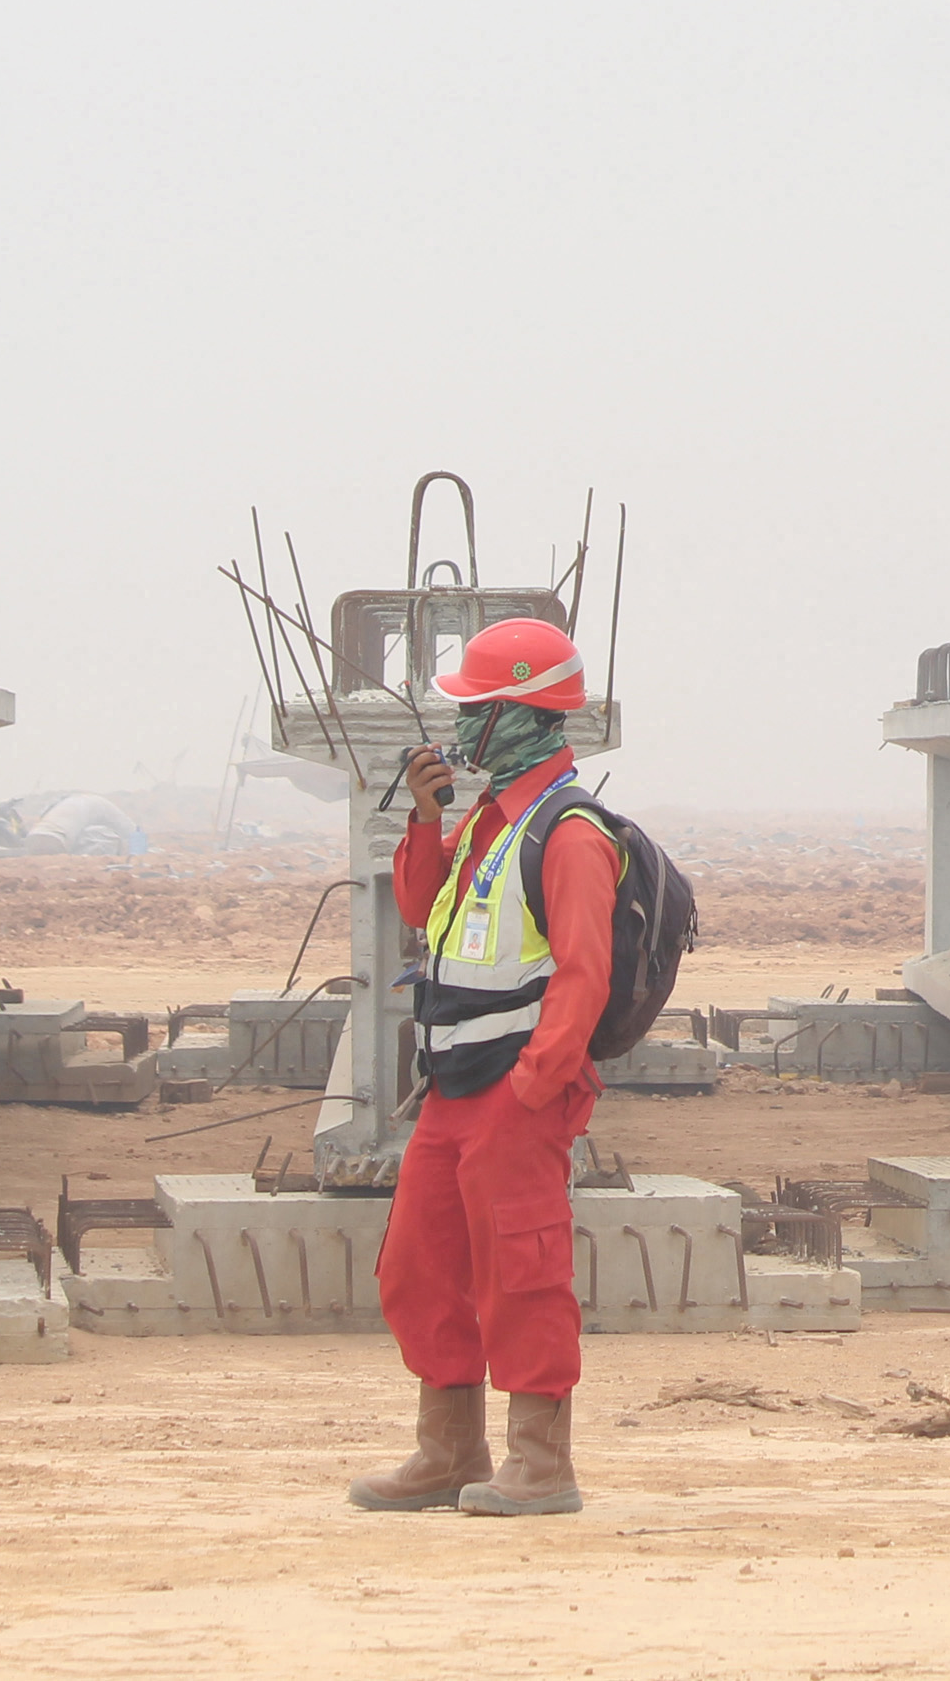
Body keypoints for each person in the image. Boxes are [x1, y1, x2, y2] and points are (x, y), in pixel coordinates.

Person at [344, 616, 620, 1516]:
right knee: (419, 1264)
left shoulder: (569, 832)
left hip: (515, 1091)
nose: (456, 729)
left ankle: (541, 1464)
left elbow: (584, 971)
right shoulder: (488, 825)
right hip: (454, 1089)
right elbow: (426, 911)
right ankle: (450, 1450)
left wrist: (538, 1085)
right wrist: (427, 821)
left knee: (521, 1270)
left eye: (475, 709)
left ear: (525, 714)